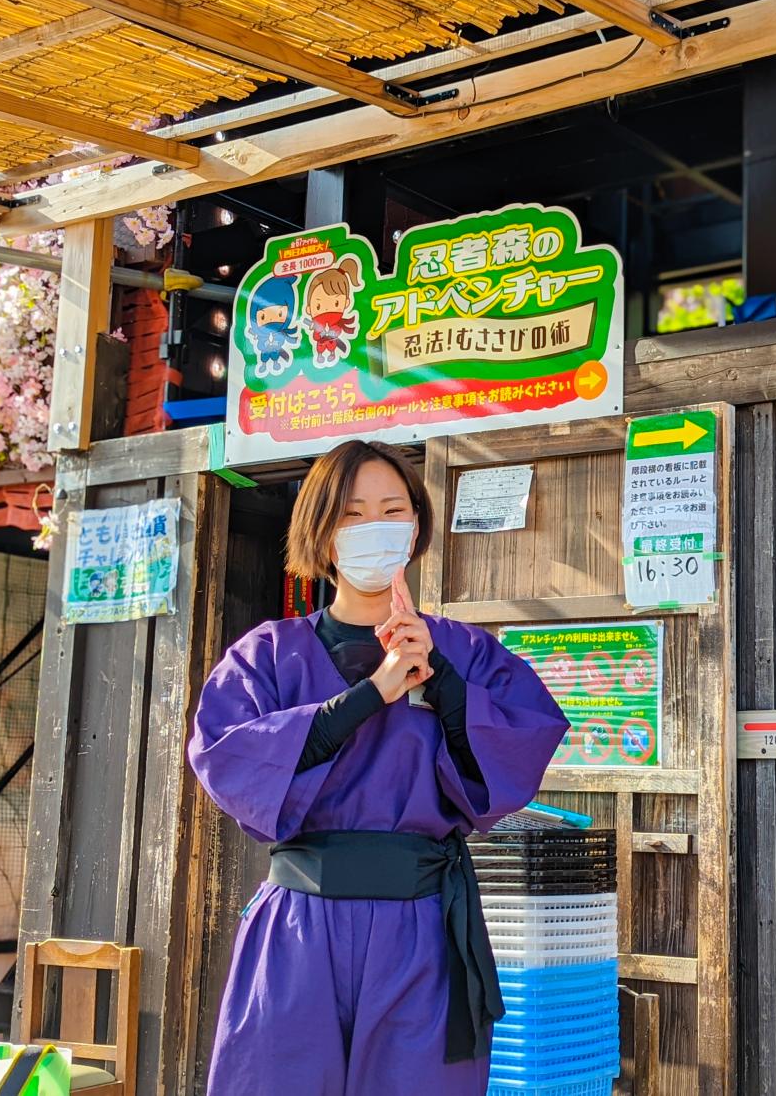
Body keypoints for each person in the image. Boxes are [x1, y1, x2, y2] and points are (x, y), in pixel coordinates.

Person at [189, 439, 569, 1096]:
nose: (375, 527)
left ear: (417, 526)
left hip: (420, 927)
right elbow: (231, 756)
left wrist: (442, 678)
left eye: (393, 510)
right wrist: (375, 692)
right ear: (322, 532)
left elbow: (519, 742)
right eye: (353, 514)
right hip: (301, 928)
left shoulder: (465, 650)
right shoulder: (268, 654)